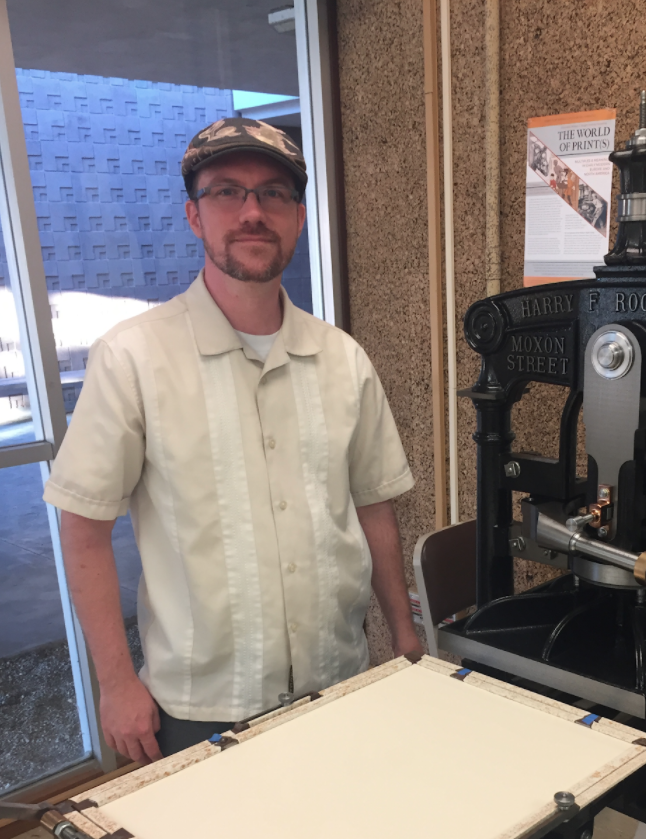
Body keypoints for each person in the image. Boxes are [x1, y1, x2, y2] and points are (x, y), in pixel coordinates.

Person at [44, 118, 423, 767]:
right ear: (194, 216)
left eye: (273, 193)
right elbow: (83, 529)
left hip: (338, 679)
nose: (252, 212)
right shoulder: (134, 358)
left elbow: (374, 508)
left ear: (298, 218)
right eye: (227, 191)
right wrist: (115, 684)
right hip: (203, 706)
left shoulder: (342, 359)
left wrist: (407, 636)